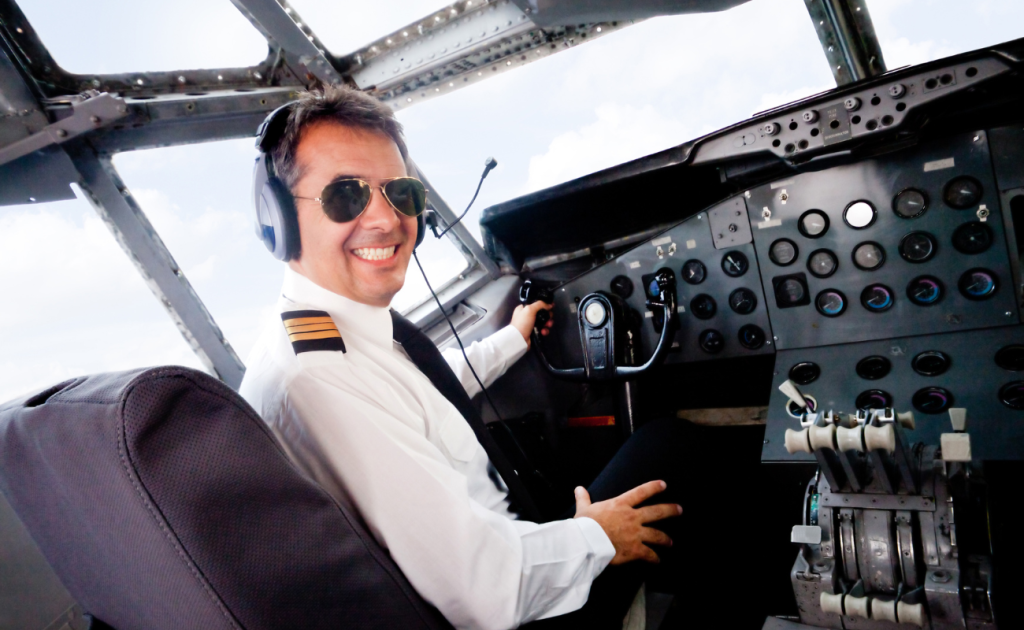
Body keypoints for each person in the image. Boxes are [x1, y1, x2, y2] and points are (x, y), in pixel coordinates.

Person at [239, 85, 683, 630]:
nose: (385, 219)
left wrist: (517, 336)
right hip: (514, 605)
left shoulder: (339, 335)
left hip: (512, 547)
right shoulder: (319, 379)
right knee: (676, 445)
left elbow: (433, 383)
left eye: (399, 192)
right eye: (346, 195)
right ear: (277, 220)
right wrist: (596, 536)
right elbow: (484, 593)